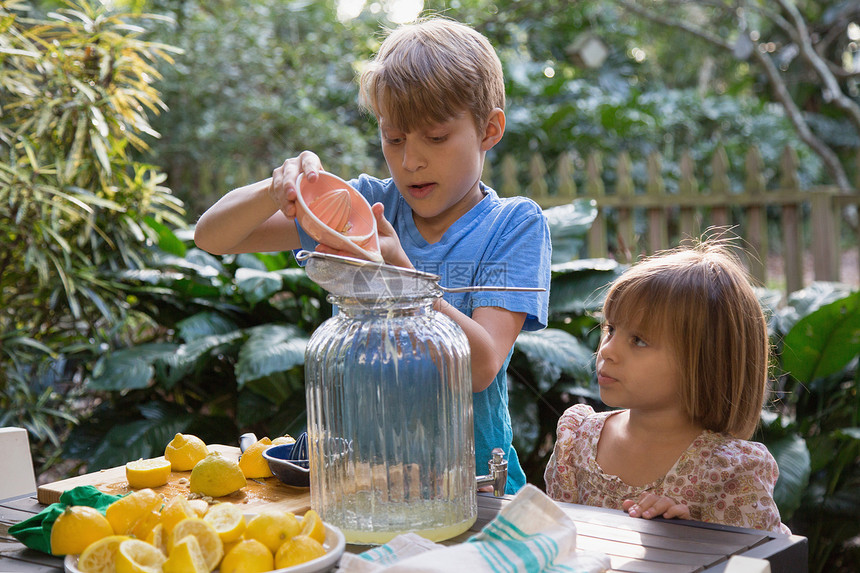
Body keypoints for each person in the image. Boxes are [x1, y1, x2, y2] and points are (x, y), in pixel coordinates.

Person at [194, 17, 551, 494]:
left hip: (469, 490)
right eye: (394, 138)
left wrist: (403, 278)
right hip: (361, 489)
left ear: (489, 130)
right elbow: (214, 237)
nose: (411, 161)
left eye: (437, 137)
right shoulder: (359, 207)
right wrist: (278, 186)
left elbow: (481, 367)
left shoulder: (514, 225)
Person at [544, 240, 790, 533]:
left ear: (705, 362)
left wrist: (692, 541)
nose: (607, 350)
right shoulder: (577, 439)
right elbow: (556, 547)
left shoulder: (732, 472)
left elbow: (758, 563)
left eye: (639, 340)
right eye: (611, 329)